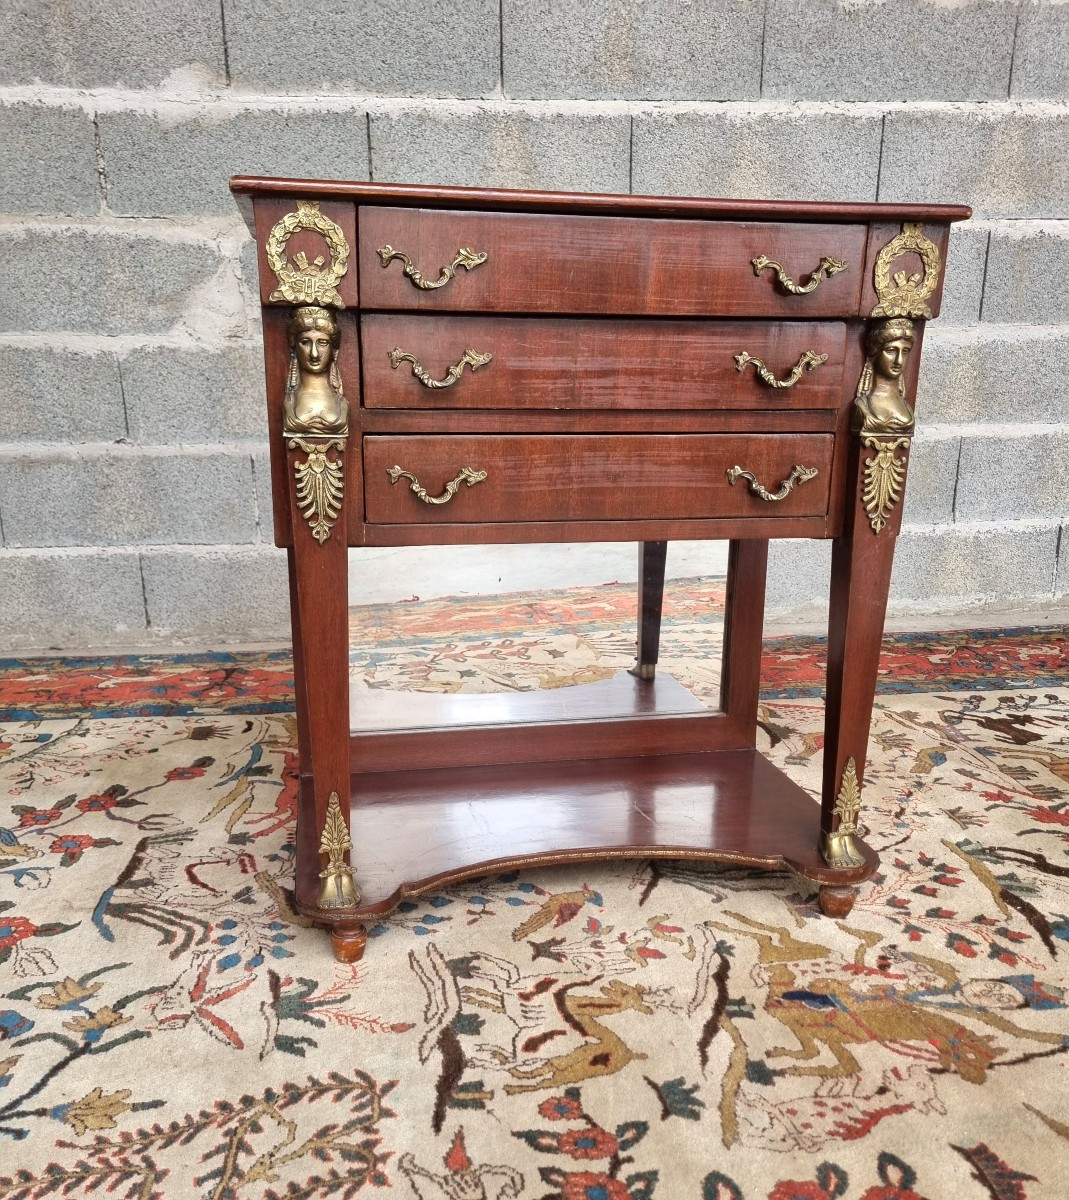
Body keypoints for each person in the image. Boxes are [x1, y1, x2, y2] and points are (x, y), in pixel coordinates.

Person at [282, 306, 349, 436]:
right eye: (305, 342)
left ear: (334, 350)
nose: (314, 354)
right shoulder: (289, 403)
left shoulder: (342, 405)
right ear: (294, 348)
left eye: (322, 343)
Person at [853, 318, 916, 436]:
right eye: (891, 350)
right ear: (875, 353)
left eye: (905, 351)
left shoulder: (906, 406)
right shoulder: (863, 406)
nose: (899, 361)